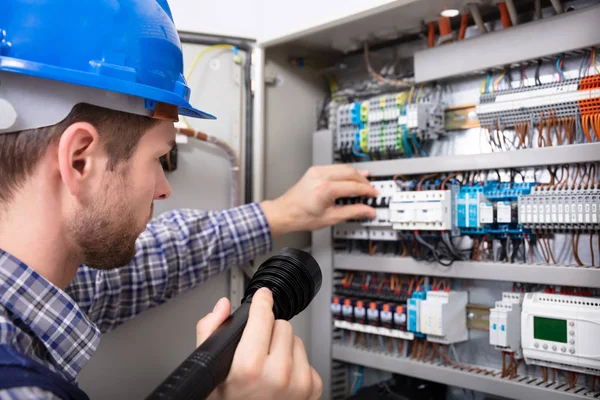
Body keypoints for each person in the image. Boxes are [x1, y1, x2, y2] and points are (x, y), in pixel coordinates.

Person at [0, 1, 378, 399]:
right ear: (80, 160)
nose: (164, 187)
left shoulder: (41, 287)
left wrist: (282, 213)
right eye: (158, 157)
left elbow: (158, 259)